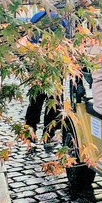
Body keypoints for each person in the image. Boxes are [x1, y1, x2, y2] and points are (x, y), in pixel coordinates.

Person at [24, 10, 67, 142]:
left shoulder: (36, 17)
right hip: (54, 62)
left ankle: (30, 130)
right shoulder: (60, 19)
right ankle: (50, 132)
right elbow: (63, 40)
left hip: (37, 61)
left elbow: (29, 39)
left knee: (35, 100)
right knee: (53, 100)